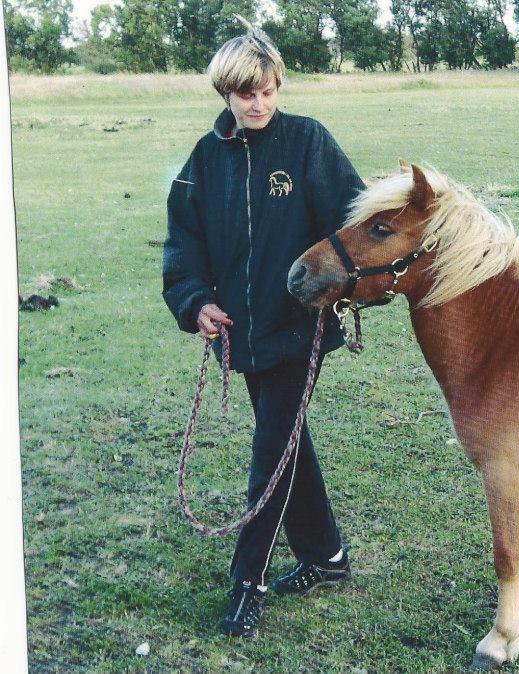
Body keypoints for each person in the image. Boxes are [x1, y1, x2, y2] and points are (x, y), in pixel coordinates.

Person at [162, 18, 365, 638]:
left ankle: (246, 582)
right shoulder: (204, 159)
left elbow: (352, 222)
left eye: (268, 90)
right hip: (239, 333)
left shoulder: (307, 143)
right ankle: (326, 557)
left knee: (270, 447)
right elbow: (183, 245)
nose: (258, 103)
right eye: (245, 93)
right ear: (226, 93)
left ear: (279, 85)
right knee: (286, 442)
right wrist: (195, 301)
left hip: (299, 328)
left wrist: (337, 290)